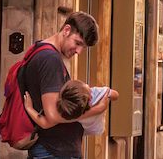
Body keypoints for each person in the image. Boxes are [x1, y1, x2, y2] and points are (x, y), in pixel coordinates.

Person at [17, 11, 103, 159]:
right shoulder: (50, 59)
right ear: (66, 30)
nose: (79, 51)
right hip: (54, 151)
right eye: (78, 43)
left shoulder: (42, 51)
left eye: (84, 47)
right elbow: (52, 116)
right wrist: (96, 109)